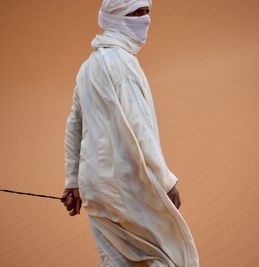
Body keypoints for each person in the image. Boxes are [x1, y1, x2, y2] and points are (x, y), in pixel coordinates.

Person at [61, 0, 199, 266]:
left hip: (96, 190)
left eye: (146, 12)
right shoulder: (123, 64)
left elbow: (73, 125)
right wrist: (165, 180)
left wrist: (73, 181)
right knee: (167, 256)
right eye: (135, 13)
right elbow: (140, 125)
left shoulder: (87, 67)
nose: (144, 20)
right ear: (114, 17)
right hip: (126, 187)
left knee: (117, 262)